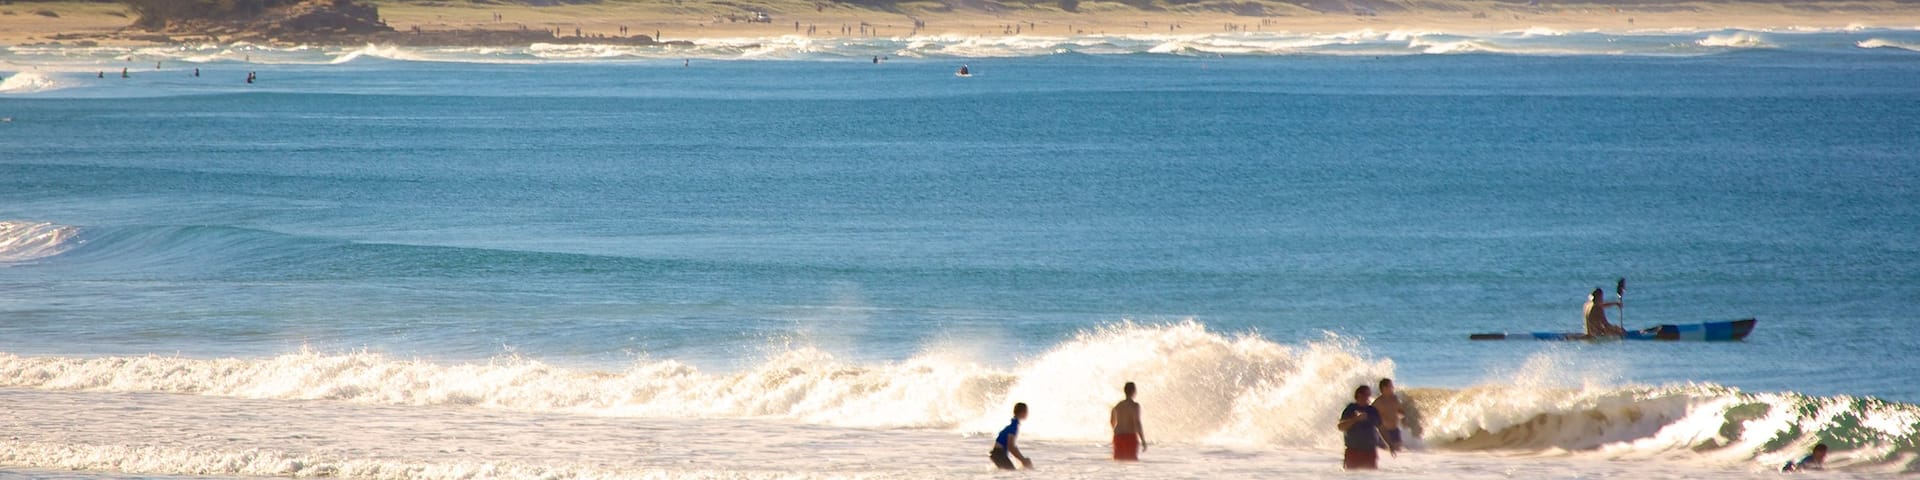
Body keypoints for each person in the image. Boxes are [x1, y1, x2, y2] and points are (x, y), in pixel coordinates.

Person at [1336, 385, 1382, 470]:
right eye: (1367, 395)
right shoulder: (1350, 409)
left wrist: (1389, 444)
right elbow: (1341, 427)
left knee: (1371, 476)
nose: (1368, 397)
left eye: (1369, 395)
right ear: (1359, 395)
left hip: (1370, 452)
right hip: (1353, 451)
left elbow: (1380, 428)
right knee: (1352, 476)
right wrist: (1355, 419)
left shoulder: (1372, 410)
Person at [990, 403, 1033, 470]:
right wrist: (1022, 460)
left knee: (1011, 473)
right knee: (1012, 473)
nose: (1028, 413)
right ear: (1022, 412)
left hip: (997, 454)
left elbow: (1011, 446)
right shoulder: (1014, 426)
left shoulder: (1013, 424)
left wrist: (1022, 459)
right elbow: (1011, 446)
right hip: (999, 454)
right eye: (1026, 411)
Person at [1110, 382, 1147, 461]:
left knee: (1118, 461)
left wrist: (1116, 430)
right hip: (1130, 436)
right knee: (1131, 462)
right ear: (1134, 391)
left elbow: (1112, 421)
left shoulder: (1117, 406)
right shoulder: (1134, 406)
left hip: (1118, 436)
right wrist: (1143, 440)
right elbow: (1137, 422)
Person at [1372, 378, 1403, 455]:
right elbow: (1370, 414)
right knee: (1385, 454)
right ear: (1384, 388)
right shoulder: (1378, 402)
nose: (1393, 388)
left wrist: (1402, 416)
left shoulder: (1395, 399)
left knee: (1398, 454)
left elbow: (1400, 411)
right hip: (1384, 433)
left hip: (1395, 431)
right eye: (1391, 386)